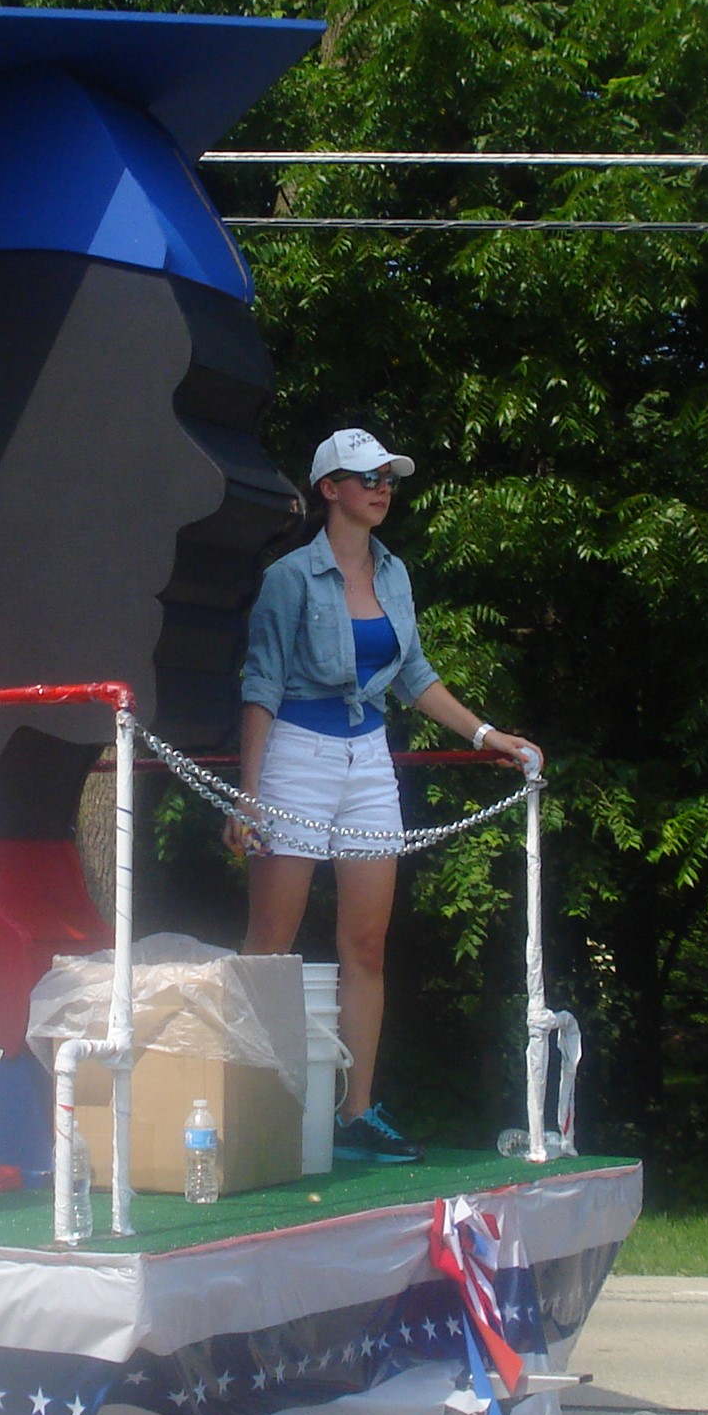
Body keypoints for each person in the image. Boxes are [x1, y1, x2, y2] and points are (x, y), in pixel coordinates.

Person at [228, 427, 541, 1164]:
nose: (382, 489)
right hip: (295, 755)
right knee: (271, 944)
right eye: (367, 477)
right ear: (329, 488)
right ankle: (241, 1102)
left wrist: (487, 734)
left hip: (369, 757)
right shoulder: (288, 577)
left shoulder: (394, 572)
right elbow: (261, 685)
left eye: (388, 478)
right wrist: (248, 795)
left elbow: (414, 675)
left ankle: (357, 1113)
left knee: (366, 945)